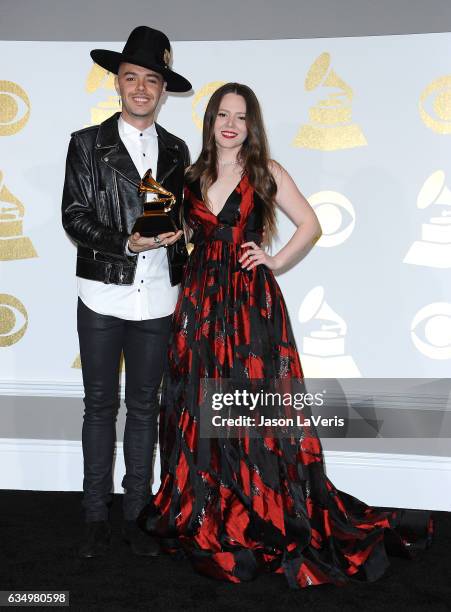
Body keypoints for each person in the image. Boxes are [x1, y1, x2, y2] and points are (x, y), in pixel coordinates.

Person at [139, 83, 433, 588]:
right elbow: (189, 235)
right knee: (197, 402)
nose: (231, 123)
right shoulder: (190, 176)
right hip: (201, 303)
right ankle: (210, 506)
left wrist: (273, 259)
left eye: (242, 116)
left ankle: (255, 508)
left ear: (252, 126)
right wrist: (171, 235)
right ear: (209, 120)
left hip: (252, 307)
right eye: (223, 114)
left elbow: (311, 224)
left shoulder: (265, 172)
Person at [61, 26, 191, 558]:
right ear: (118, 83)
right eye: (132, 77)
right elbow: (74, 217)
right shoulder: (88, 144)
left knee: (144, 407)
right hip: (102, 294)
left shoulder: (179, 150)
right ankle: (96, 512)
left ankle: (138, 511)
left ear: (162, 90)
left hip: (158, 297)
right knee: (99, 405)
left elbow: (182, 214)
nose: (141, 88)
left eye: (151, 80)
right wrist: (127, 243)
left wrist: (185, 234)